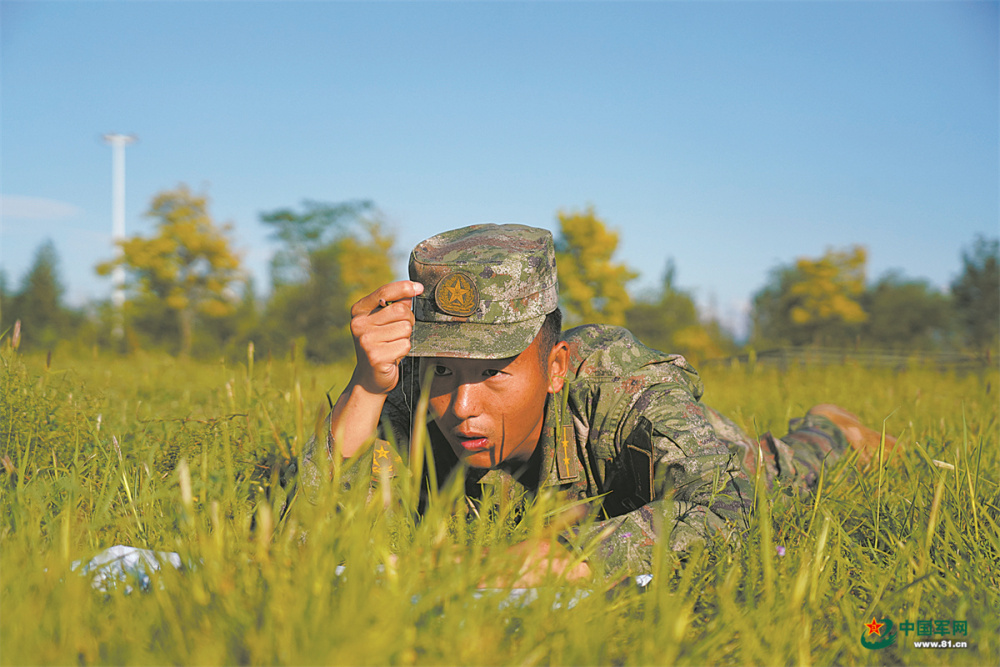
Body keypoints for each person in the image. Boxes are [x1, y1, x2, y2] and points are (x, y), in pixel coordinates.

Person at [306, 224, 895, 581]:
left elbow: (724, 499)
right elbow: (301, 535)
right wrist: (364, 387)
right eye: (443, 369)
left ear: (555, 366)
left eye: (493, 372)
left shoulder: (620, 383)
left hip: (703, 464)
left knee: (775, 467)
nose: (460, 404)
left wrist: (580, 557)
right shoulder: (407, 392)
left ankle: (833, 428)